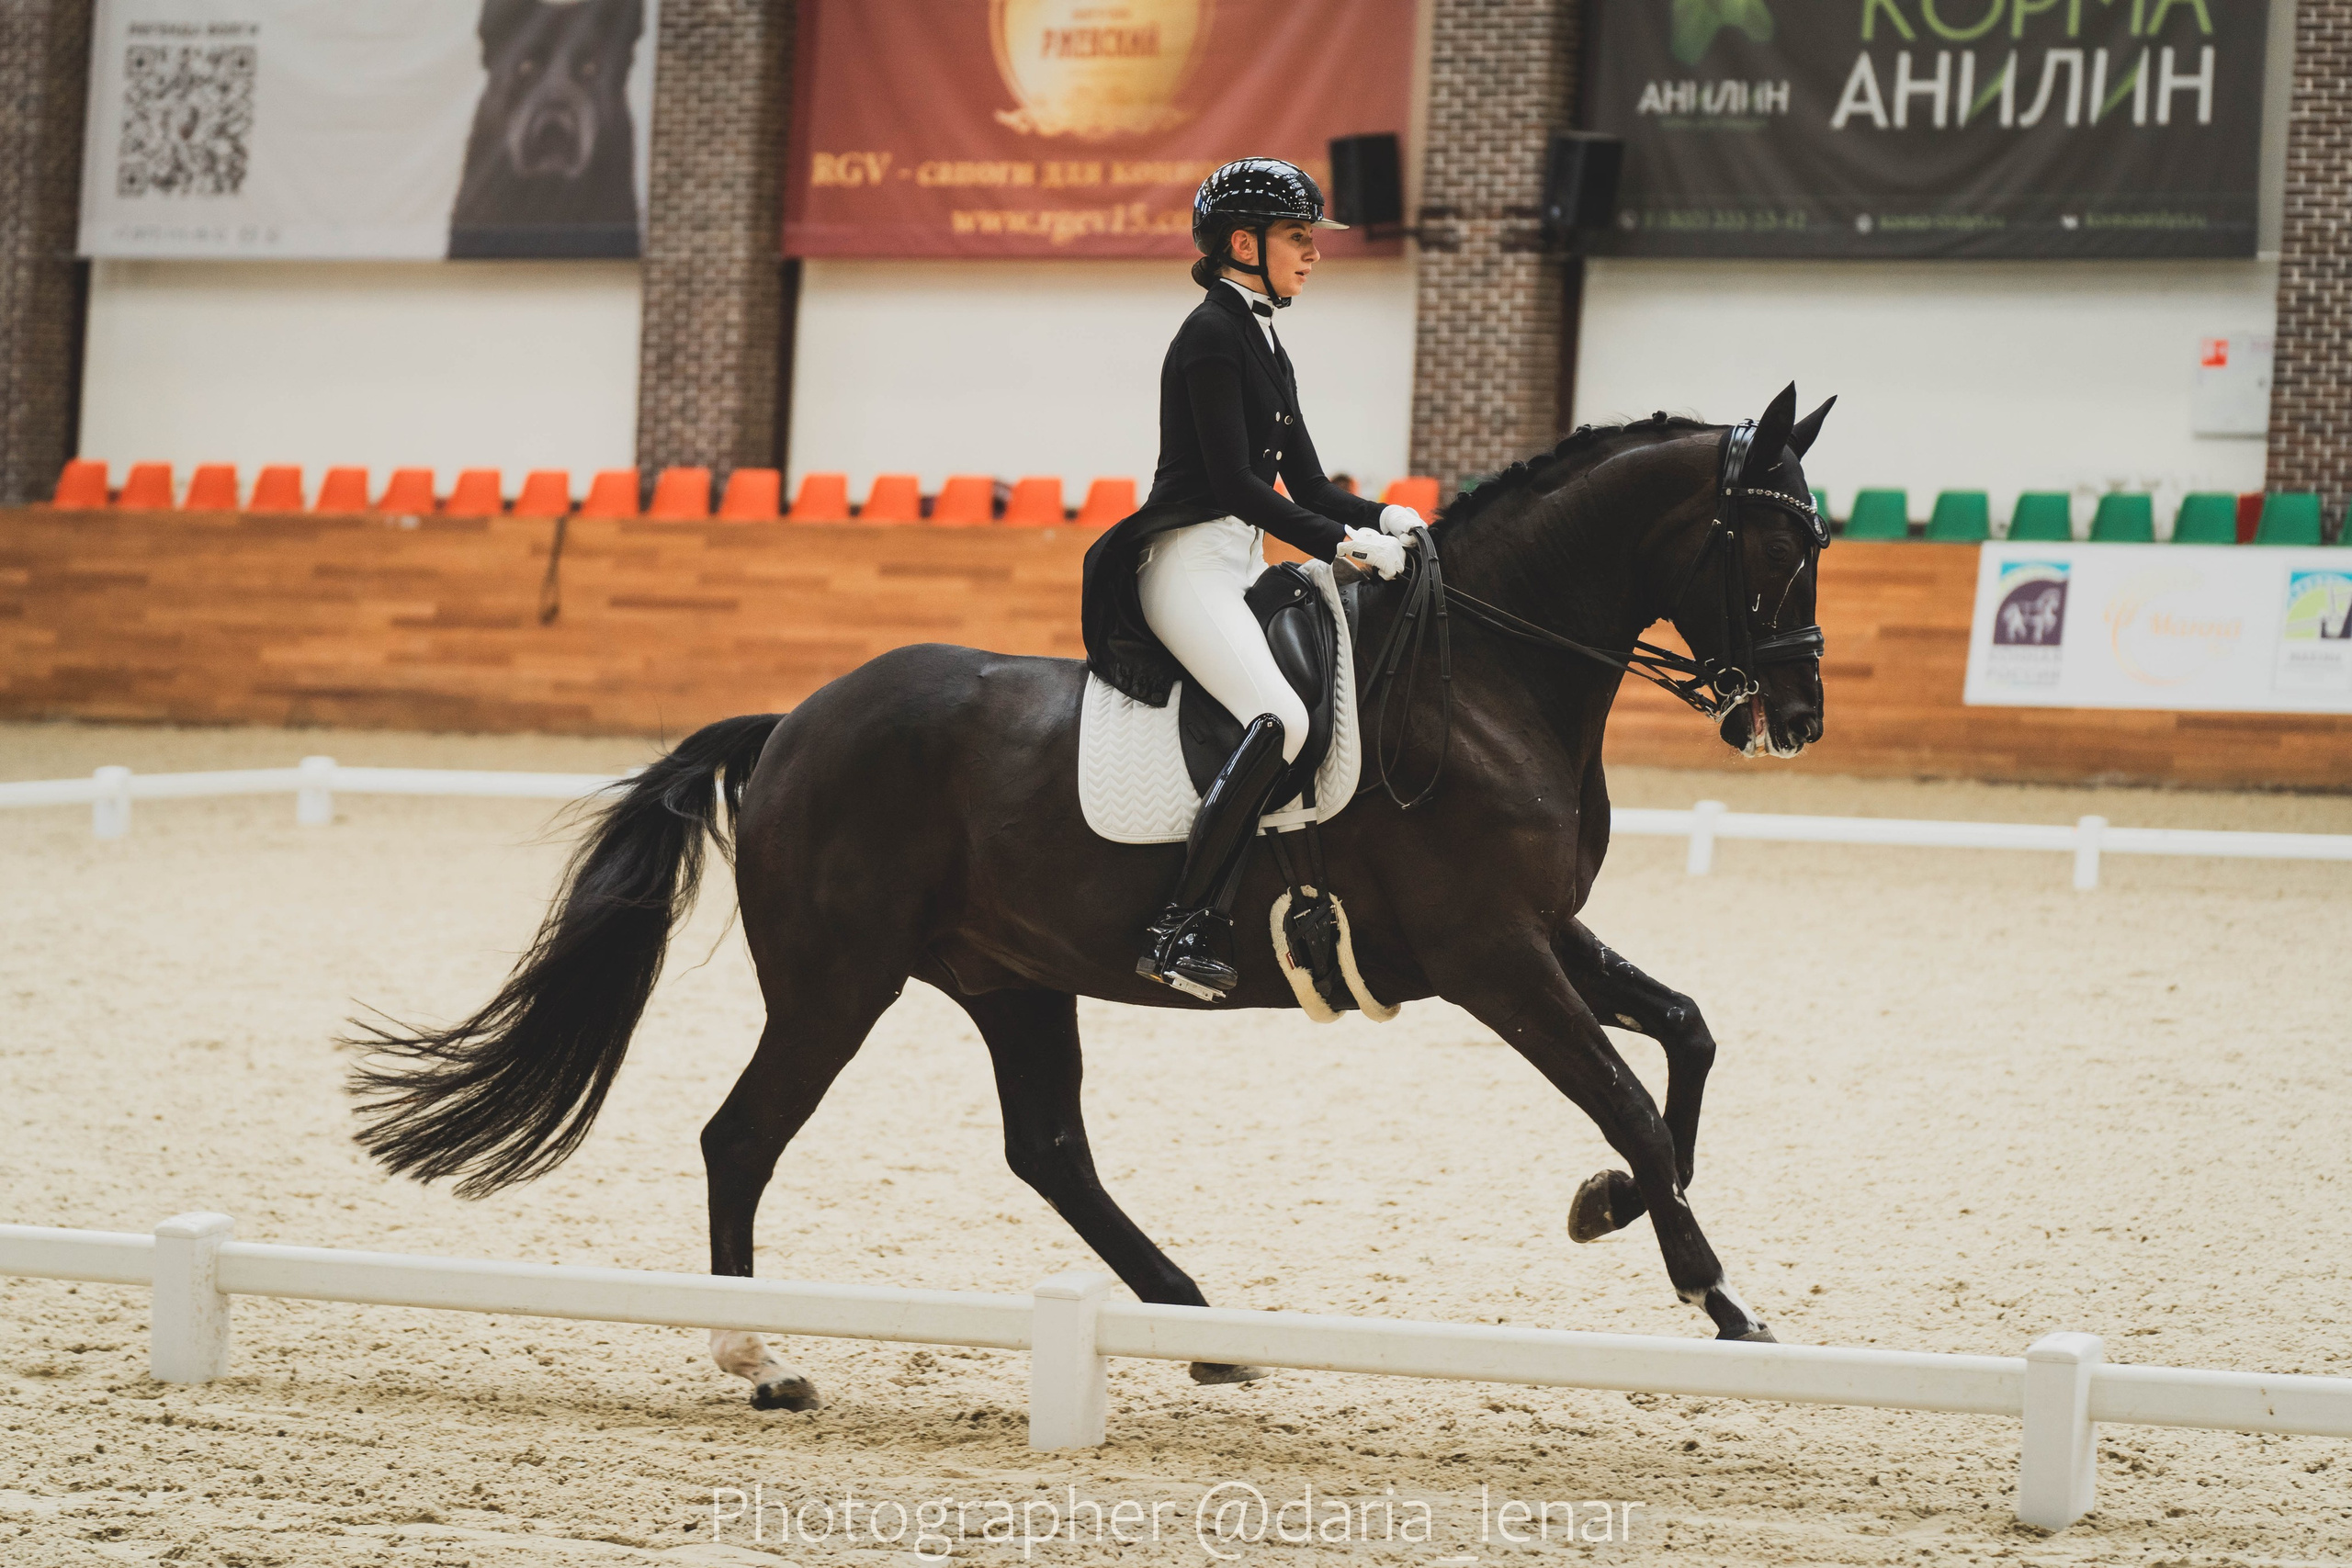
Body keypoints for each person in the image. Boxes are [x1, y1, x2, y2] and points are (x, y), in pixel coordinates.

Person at [1078, 156, 1422, 1000]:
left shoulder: (1266, 338)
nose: (1312, 253)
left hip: (1240, 561)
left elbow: (1307, 485)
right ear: (1244, 242)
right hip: (1188, 561)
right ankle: (1181, 922)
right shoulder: (1209, 335)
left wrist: (1385, 516)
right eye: (1298, 238)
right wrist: (1342, 547)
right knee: (1281, 718)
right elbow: (1236, 487)